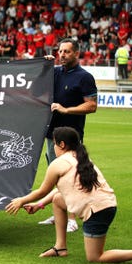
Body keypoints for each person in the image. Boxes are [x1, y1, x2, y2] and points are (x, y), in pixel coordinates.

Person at [5, 127, 132, 264]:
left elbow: (42, 191)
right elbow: (59, 191)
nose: (53, 148)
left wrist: (21, 201)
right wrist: (39, 205)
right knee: (59, 200)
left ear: (62, 145)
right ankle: (60, 247)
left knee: (95, 257)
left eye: (54, 143)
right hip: (106, 205)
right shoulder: (81, 158)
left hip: (98, 211)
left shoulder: (58, 164)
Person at [40, 38, 98, 232]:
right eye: (60, 51)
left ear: (76, 54)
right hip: (52, 134)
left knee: (70, 175)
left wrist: (67, 110)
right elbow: (35, 80)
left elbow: (91, 105)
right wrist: (44, 64)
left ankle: (72, 218)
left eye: (66, 52)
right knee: (56, 174)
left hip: (71, 135)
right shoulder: (55, 72)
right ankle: (59, 213)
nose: (62, 55)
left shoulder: (84, 77)